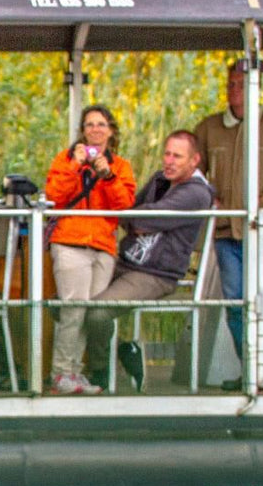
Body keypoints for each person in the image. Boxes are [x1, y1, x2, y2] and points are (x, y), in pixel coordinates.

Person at [193, 58, 263, 384]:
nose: (234, 91)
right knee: (235, 303)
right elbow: (192, 169)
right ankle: (251, 373)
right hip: (227, 232)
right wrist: (206, 196)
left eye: (241, 85)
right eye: (230, 84)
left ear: (255, 87)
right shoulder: (209, 127)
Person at [84, 131, 215, 392]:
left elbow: (148, 217)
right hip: (125, 260)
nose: (169, 161)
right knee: (64, 302)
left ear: (194, 160)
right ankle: (123, 350)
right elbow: (129, 211)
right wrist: (137, 221)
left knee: (98, 313)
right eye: (167, 153)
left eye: (177, 156)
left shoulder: (197, 193)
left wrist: (140, 221)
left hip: (156, 274)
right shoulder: (160, 179)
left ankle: (100, 370)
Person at [45, 105, 137, 395]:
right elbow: (54, 196)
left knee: (88, 313)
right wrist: (75, 165)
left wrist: (107, 176)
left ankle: (75, 371)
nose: (95, 130)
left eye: (101, 124)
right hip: (71, 241)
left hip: (102, 245)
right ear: (82, 131)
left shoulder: (121, 166)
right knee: (73, 310)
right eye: (89, 125)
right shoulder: (66, 159)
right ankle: (61, 373)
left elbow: (124, 205)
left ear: (111, 130)